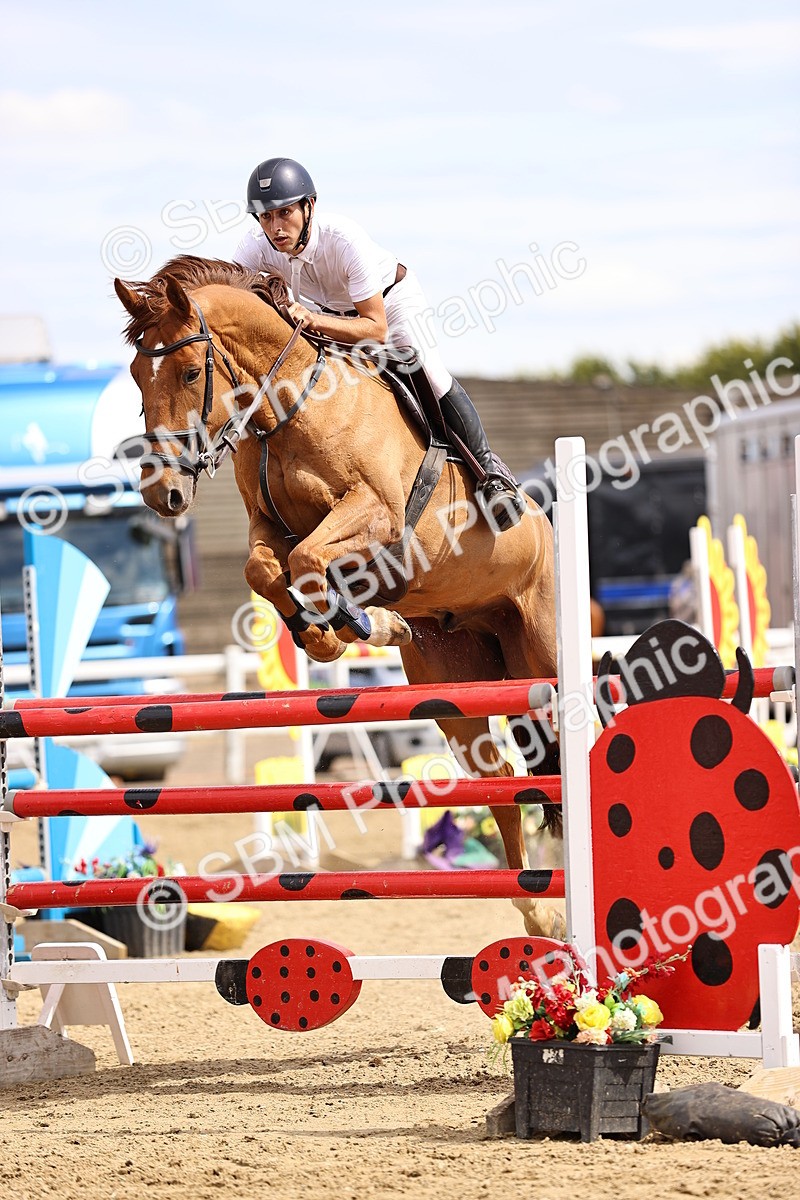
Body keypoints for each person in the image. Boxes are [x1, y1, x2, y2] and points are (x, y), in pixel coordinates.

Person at [233, 157, 526, 531]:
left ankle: (491, 474)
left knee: (430, 373)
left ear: (309, 206)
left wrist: (312, 319)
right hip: (323, 315)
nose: (275, 228)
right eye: (265, 217)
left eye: (284, 213)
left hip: (389, 305)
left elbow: (375, 329)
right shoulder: (254, 247)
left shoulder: (343, 238)